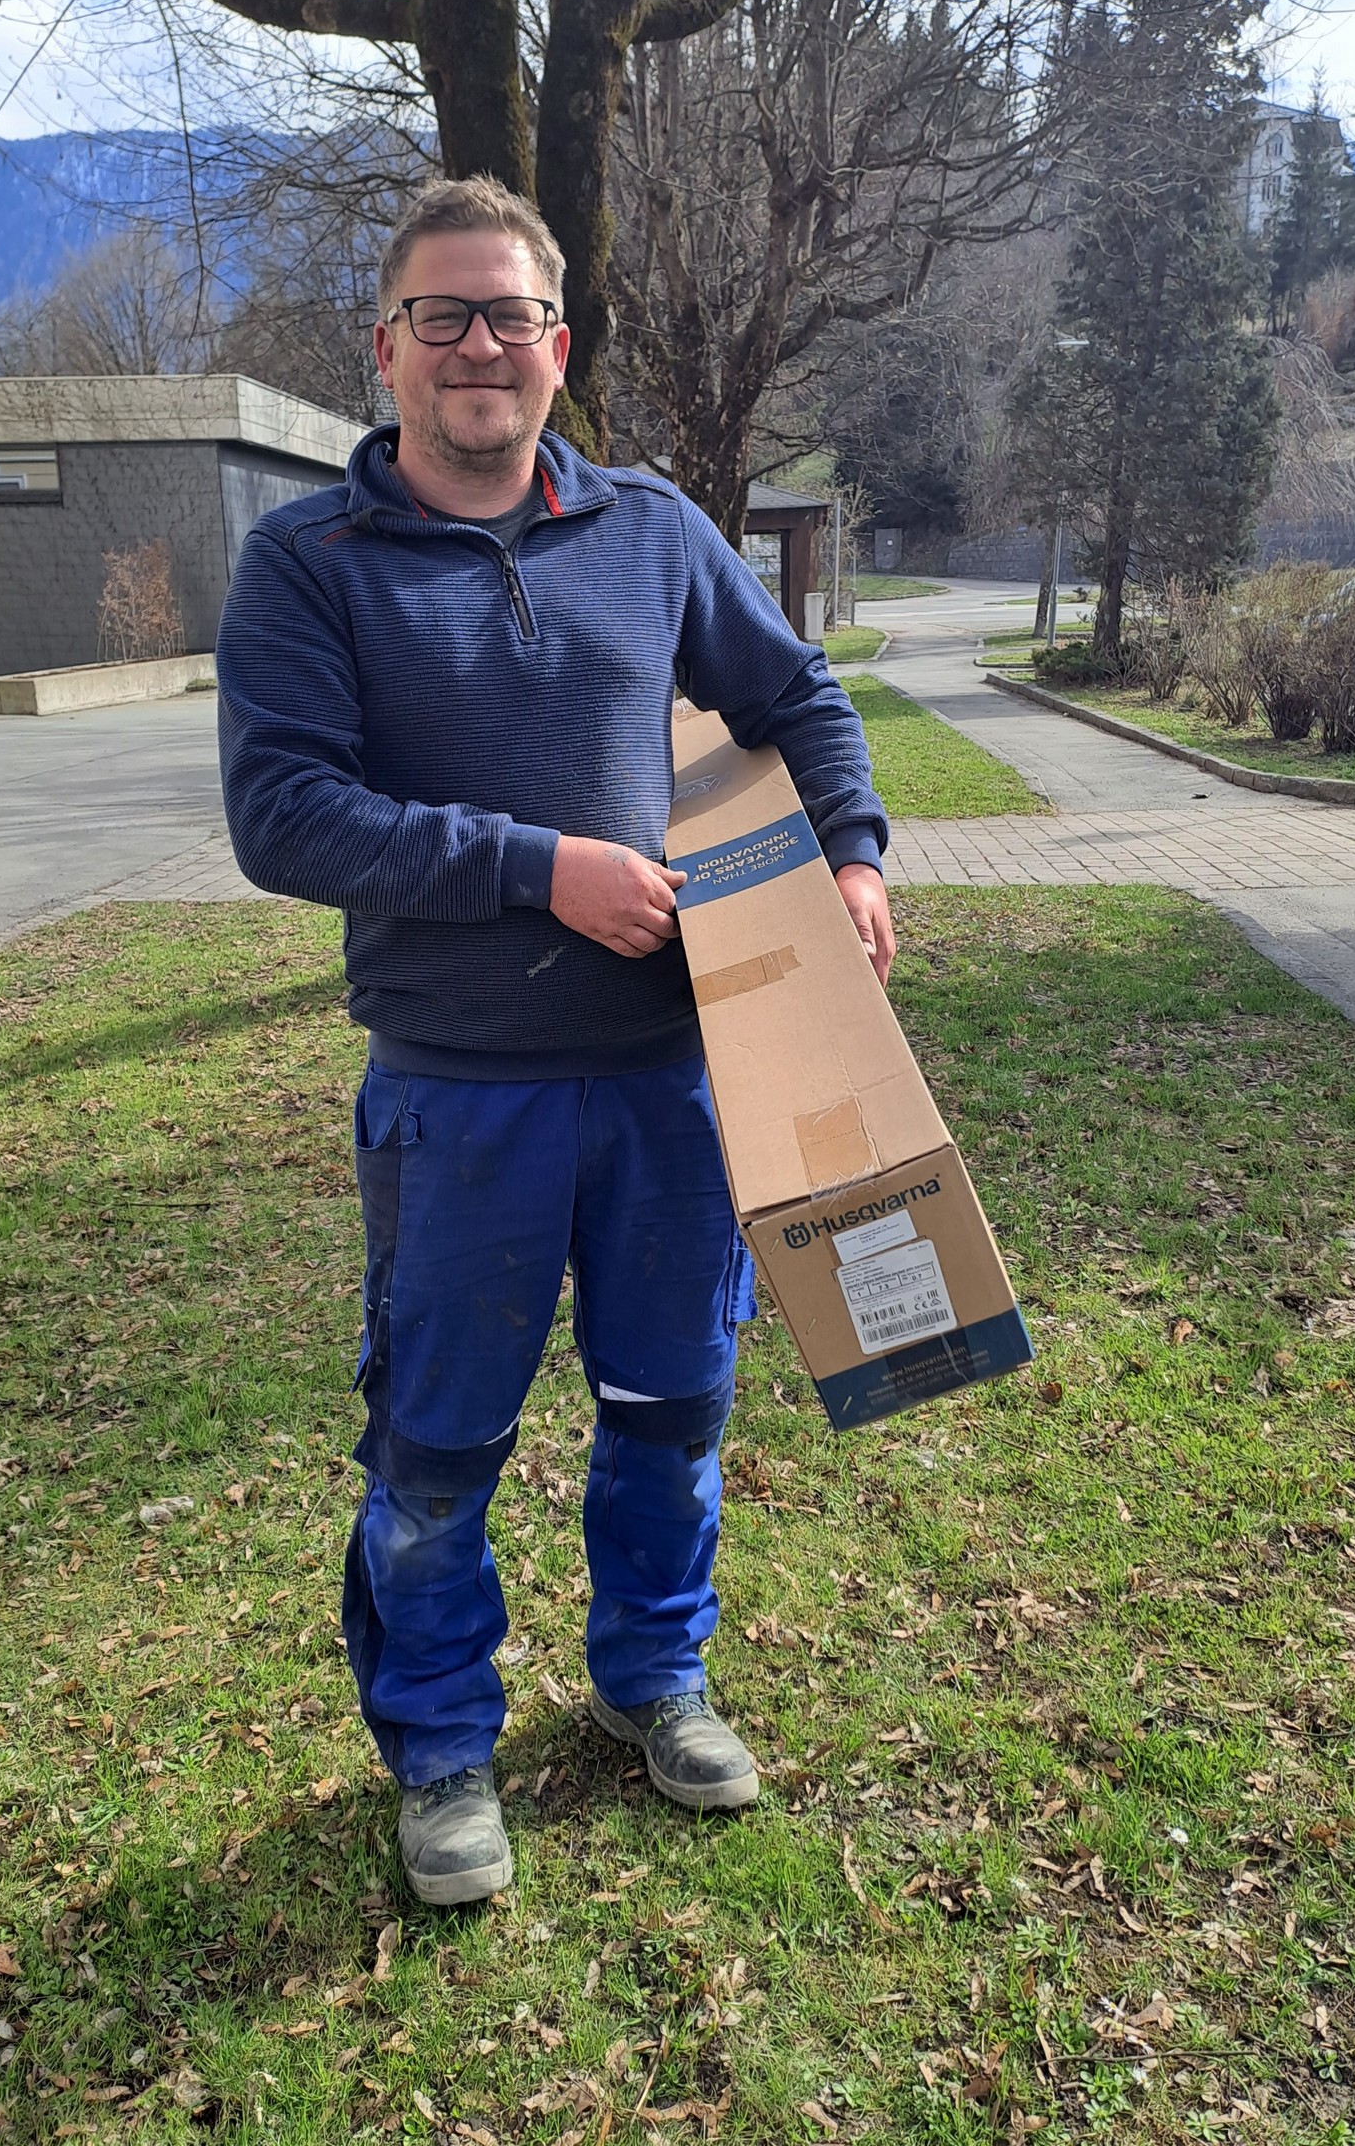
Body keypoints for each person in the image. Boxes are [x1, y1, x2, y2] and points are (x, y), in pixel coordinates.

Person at [217, 176, 893, 1906]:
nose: (478, 347)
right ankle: (443, 1744)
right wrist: (541, 871)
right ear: (385, 348)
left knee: (672, 1407)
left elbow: (798, 695)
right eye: (440, 316)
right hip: (459, 1101)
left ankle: (652, 1675)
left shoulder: (651, 529)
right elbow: (285, 816)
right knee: (437, 1449)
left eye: (508, 315)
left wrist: (854, 855)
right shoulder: (308, 564)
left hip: (676, 1080)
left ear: (557, 344)